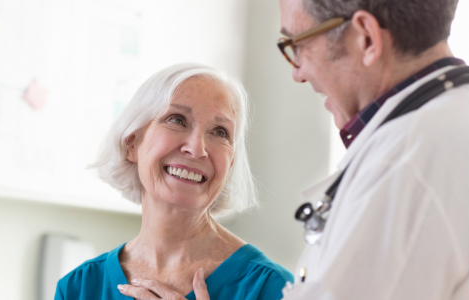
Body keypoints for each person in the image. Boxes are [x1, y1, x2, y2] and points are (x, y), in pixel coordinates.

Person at [119, 0, 469, 299]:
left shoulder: (405, 164)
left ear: (366, 38)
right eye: (176, 120)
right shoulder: (437, 137)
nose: (298, 72)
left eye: (297, 43)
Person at [54, 63, 294, 300]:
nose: (197, 149)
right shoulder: (78, 288)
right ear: (132, 144)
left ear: (231, 161)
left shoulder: (275, 289)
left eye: (220, 132)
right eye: (177, 120)